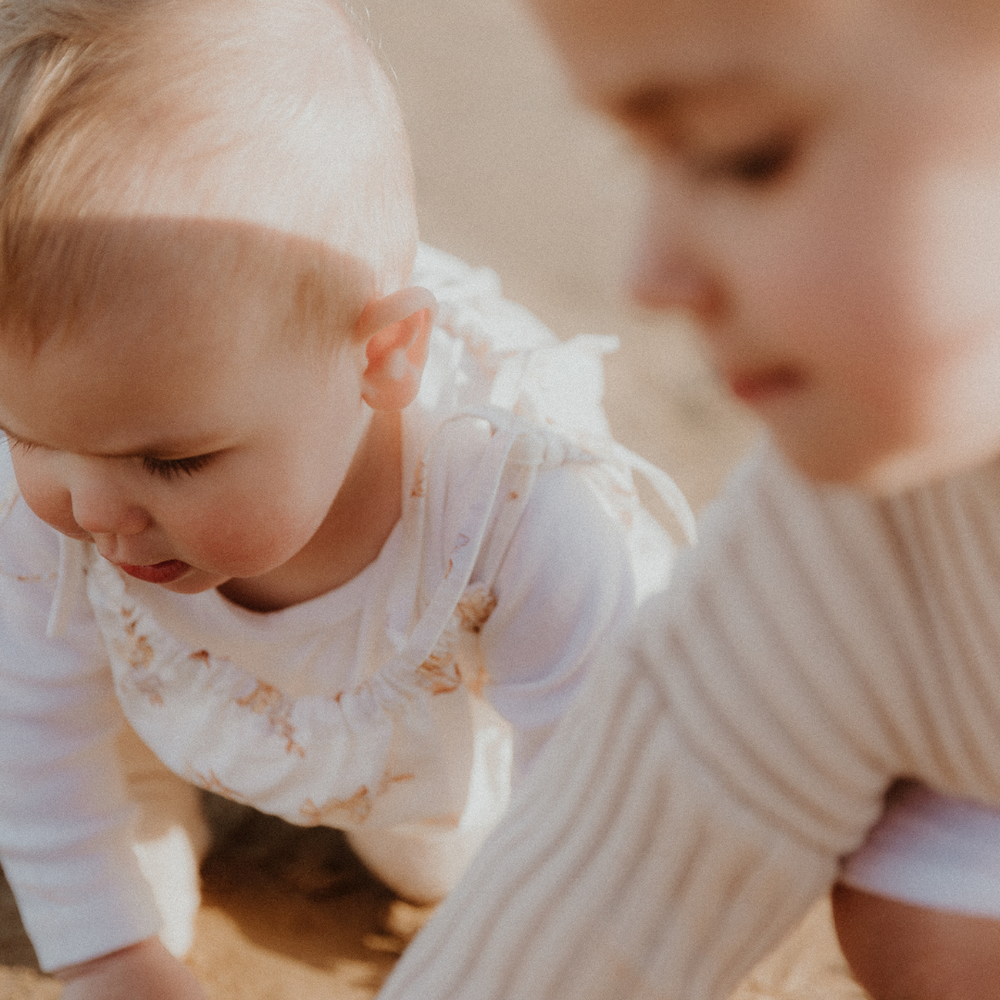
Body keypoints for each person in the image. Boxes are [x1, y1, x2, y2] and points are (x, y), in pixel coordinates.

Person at [0, 1, 693, 998]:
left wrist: (518, 956)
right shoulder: (80, 466)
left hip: (431, 713)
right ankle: (160, 797)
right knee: (92, 756)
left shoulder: (517, 519)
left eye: (176, 460)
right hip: (165, 681)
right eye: (28, 435)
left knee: (440, 863)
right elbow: (31, 722)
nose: (96, 508)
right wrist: (109, 949)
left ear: (383, 358)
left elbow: (596, 792)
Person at [376, 2, 1000, 999]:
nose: (648, 276)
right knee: (932, 909)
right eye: (642, 159)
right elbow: (608, 880)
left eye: (742, 156)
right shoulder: (855, 538)